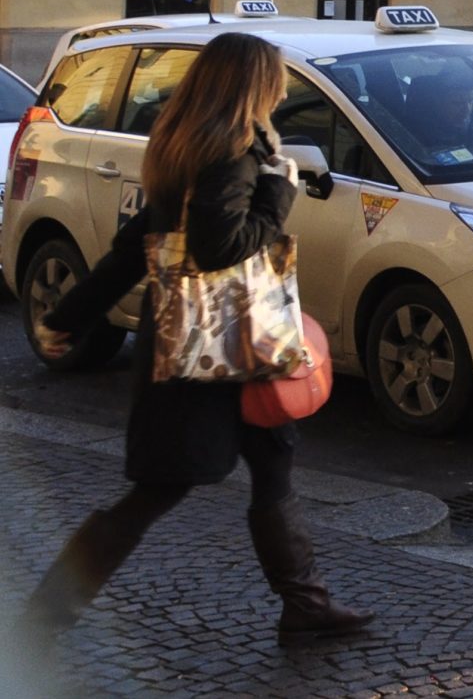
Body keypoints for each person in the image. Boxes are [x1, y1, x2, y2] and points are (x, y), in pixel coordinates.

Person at [21, 32, 374, 643]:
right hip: (211, 350)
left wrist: (69, 315)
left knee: (272, 465)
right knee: (159, 489)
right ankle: (46, 614)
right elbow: (221, 247)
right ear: (252, 86)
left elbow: (137, 246)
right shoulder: (232, 156)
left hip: (220, 346)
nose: (284, 87)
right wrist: (277, 195)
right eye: (276, 77)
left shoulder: (183, 147)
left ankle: (306, 603)